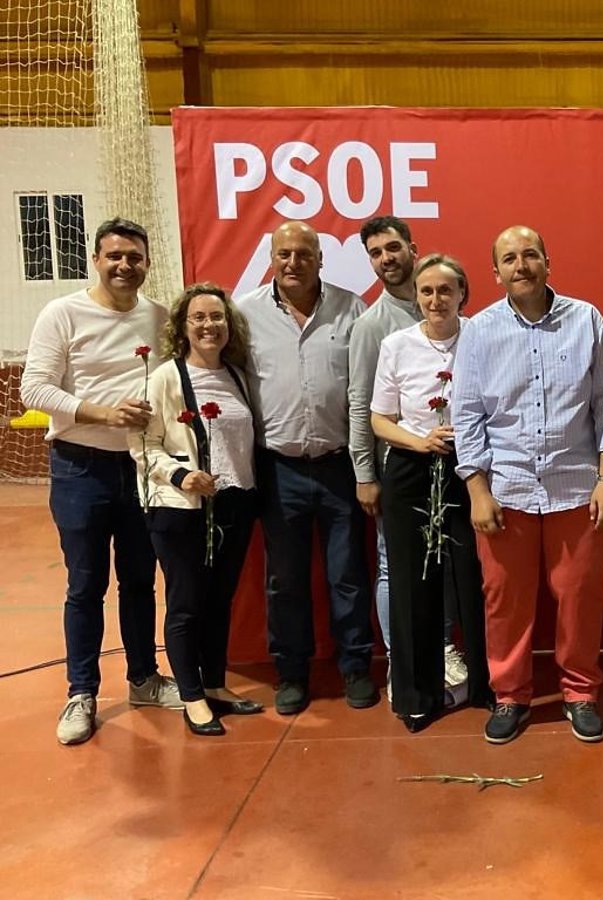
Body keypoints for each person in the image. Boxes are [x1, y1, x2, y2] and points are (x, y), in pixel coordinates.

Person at [453, 225, 603, 744]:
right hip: (505, 491)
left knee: (579, 597)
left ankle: (580, 692)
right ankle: (510, 694)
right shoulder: (479, 331)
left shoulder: (586, 320)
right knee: (504, 600)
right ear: (496, 272)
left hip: (577, 488)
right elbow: (467, 415)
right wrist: (477, 490)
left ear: (548, 262)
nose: (521, 265)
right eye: (509, 258)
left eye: (530, 254)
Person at [22, 217, 182, 746]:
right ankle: (82, 692)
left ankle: (144, 678)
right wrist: (103, 413)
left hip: (140, 469)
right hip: (80, 468)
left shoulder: (159, 317)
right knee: (86, 584)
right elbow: (34, 390)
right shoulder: (62, 313)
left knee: (140, 581)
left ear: (147, 263)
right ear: (96, 260)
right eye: (114, 256)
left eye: (134, 257)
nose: (124, 266)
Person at [236, 221, 378, 715]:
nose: (293, 262)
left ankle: (355, 667)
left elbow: (364, 388)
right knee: (285, 580)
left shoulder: (352, 308)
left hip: (340, 466)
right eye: (284, 254)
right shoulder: (245, 314)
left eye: (303, 253)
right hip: (279, 469)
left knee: (347, 574)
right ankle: (291, 673)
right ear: (272, 259)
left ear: (320, 259)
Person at [132, 283, 261, 736]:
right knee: (186, 604)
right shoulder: (165, 377)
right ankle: (191, 697)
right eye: (199, 318)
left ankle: (214, 684)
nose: (209, 325)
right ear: (182, 327)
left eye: (217, 317)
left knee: (219, 601)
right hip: (182, 508)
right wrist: (180, 476)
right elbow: (142, 443)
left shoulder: (237, 376)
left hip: (235, 504)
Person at [370, 254, 492, 730]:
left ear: (463, 294)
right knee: (411, 584)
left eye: (446, 290)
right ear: (416, 297)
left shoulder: (483, 337)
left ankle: (485, 686)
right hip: (411, 468)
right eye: (426, 291)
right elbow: (380, 418)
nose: (436, 299)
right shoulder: (396, 345)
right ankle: (416, 695)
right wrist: (420, 441)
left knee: (473, 579)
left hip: (471, 471)